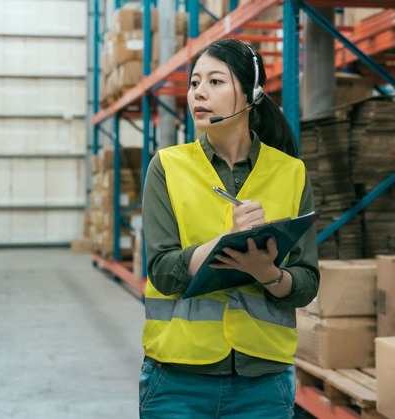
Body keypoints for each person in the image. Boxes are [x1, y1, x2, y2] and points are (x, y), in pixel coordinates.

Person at [139, 39, 320, 418]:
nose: (199, 93)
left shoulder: (291, 172)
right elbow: (161, 270)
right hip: (178, 379)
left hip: (263, 382)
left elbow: (305, 283)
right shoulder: (166, 167)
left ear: (252, 94)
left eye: (215, 82)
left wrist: (268, 274)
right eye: (194, 83)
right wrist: (224, 244)